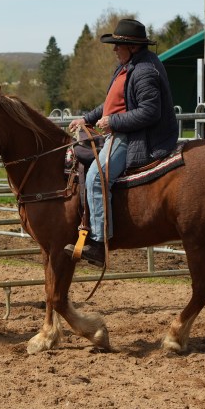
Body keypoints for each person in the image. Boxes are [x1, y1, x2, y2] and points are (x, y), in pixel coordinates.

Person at [65, 18, 179, 266]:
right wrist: (87, 118)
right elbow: (111, 103)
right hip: (122, 131)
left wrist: (113, 122)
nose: (115, 49)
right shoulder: (127, 67)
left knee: (97, 177)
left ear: (133, 47)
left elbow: (151, 111)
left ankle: (98, 243)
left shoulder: (144, 71)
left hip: (135, 137)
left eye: (118, 45)